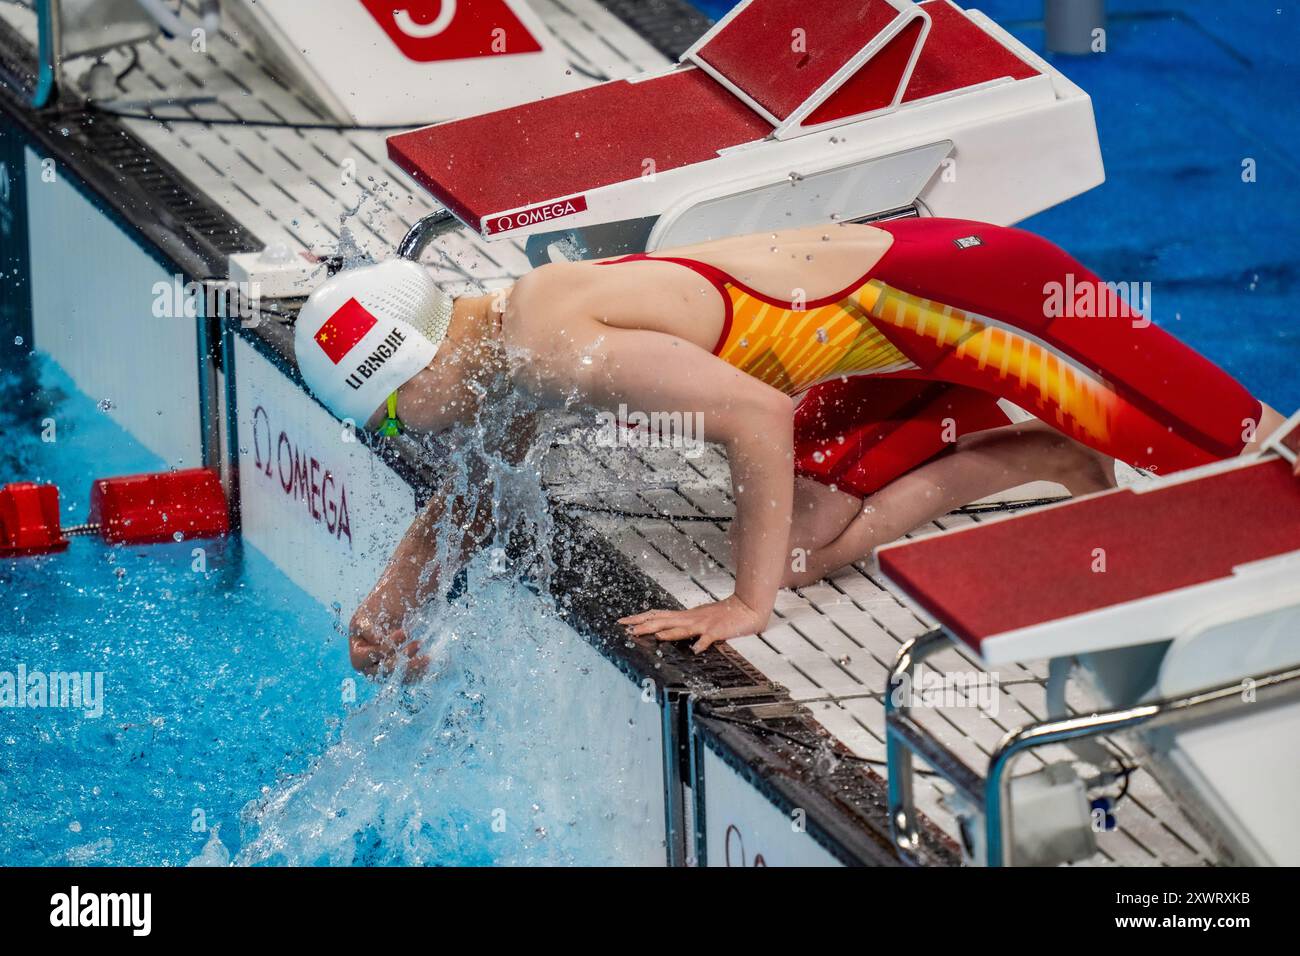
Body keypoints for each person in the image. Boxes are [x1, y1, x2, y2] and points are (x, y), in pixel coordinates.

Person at [292, 217, 1286, 675]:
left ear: (417, 372)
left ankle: (1061, 420)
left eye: (383, 417)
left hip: (985, 304)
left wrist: (745, 603)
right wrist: (394, 595)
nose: (395, 434)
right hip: (881, 354)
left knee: (1248, 470)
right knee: (803, 541)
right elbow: (481, 484)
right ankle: (1047, 455)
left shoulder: (558, 347)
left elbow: (755, 420)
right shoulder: (491, 337)